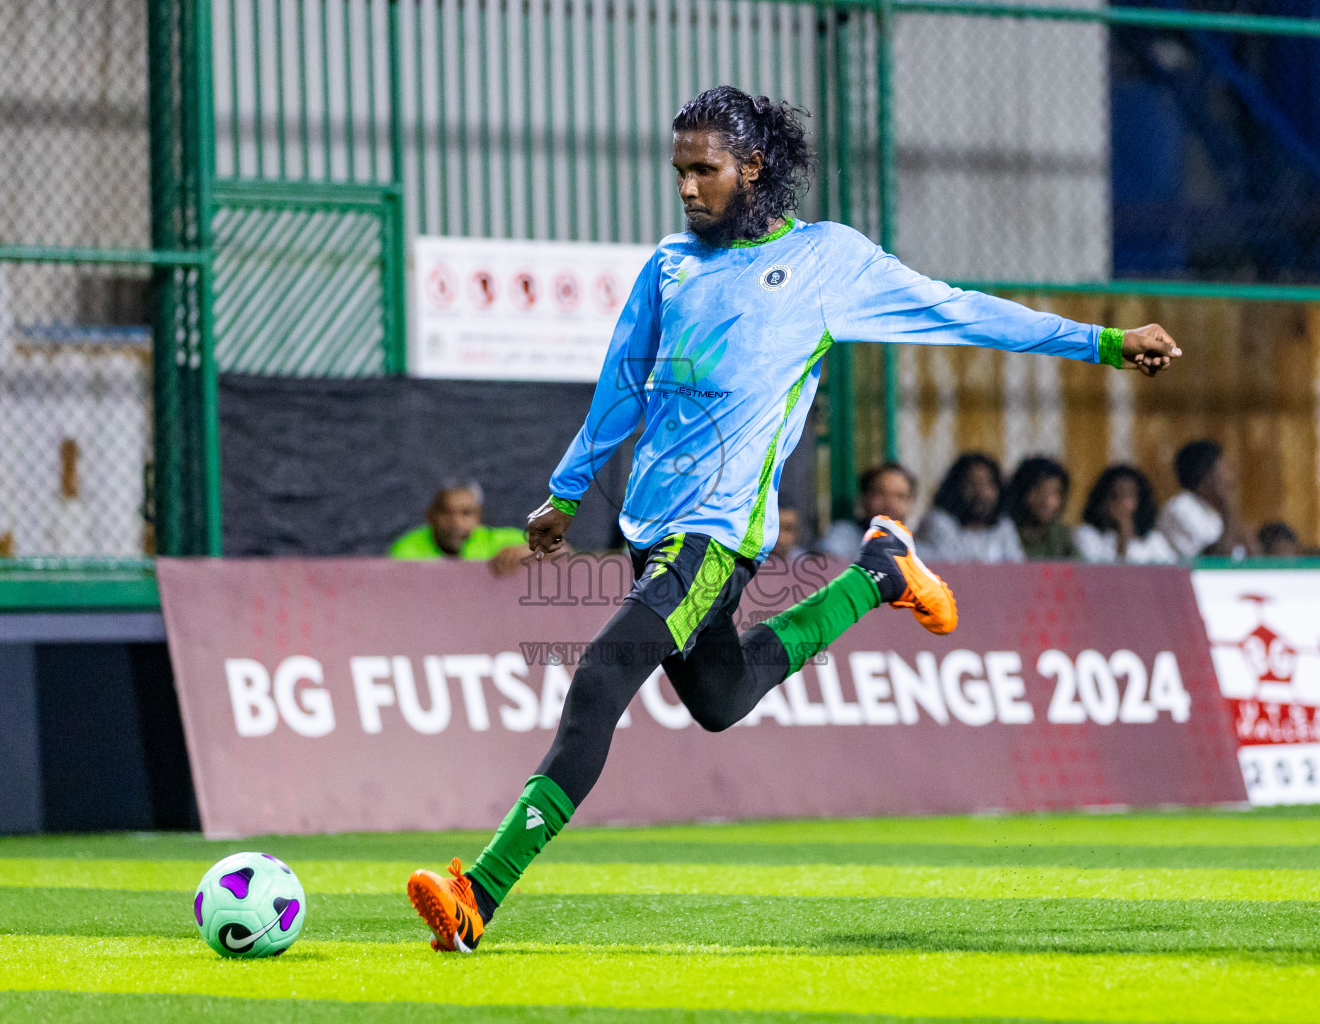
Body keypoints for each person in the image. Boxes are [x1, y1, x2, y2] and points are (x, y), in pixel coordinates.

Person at [405, 85, 1182, 953]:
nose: (689, 188)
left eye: (705, 170)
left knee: (600, 676)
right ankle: (881, 574)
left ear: (753, 167)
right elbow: (621, 382)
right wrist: (567, 491)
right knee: (720, 698)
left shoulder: (826, 264)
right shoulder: (668, 265)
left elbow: (960, 310)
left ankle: (481, 889)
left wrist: (1103, 343)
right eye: (680, 172)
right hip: (648, 531)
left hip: (716, 536)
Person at [389, 481, 532, 575]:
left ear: (479, 518)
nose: (455, 522)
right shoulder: (406, 551)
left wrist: (529, 551)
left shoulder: (495, 542)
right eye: (446, 512)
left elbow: (553, 547)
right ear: (430, 515)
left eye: (466, 513)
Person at [1158, 439, 1259, 559]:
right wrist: (1228, 511)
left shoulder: (1214, 512)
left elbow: (1257, 559)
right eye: (1224, 469)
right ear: (1206, 474)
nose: (1230, 478)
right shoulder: (1180, 507)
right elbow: (1214, 559)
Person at [917, 453, 1024, 563]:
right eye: (972, 483)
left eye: (988, 484)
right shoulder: (939, 522)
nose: (981, 492)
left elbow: (1016, 568)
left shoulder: (1004, 528)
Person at [1074, 465, 1177, 564]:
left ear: (1140, 500)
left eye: (1128, 495)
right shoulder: (1087, 535)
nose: (1121, 503)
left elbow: (1169, 572)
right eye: (1114, 496)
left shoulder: (1154, 540)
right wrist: (1123, 541)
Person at [817, 462, 917, 558]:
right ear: (864, 498)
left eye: (900, 496)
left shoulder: (917, 551)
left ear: (911, 503)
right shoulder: (843, 537)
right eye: (881, 493)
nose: (890, 503)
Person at [1003, 456, 1079, 560]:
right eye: (1039, 490)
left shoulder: (1061, 535)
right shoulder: (1006, 531)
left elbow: (1082, 569)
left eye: (1054, 493)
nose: (1047, 501)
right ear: (1021, 492)